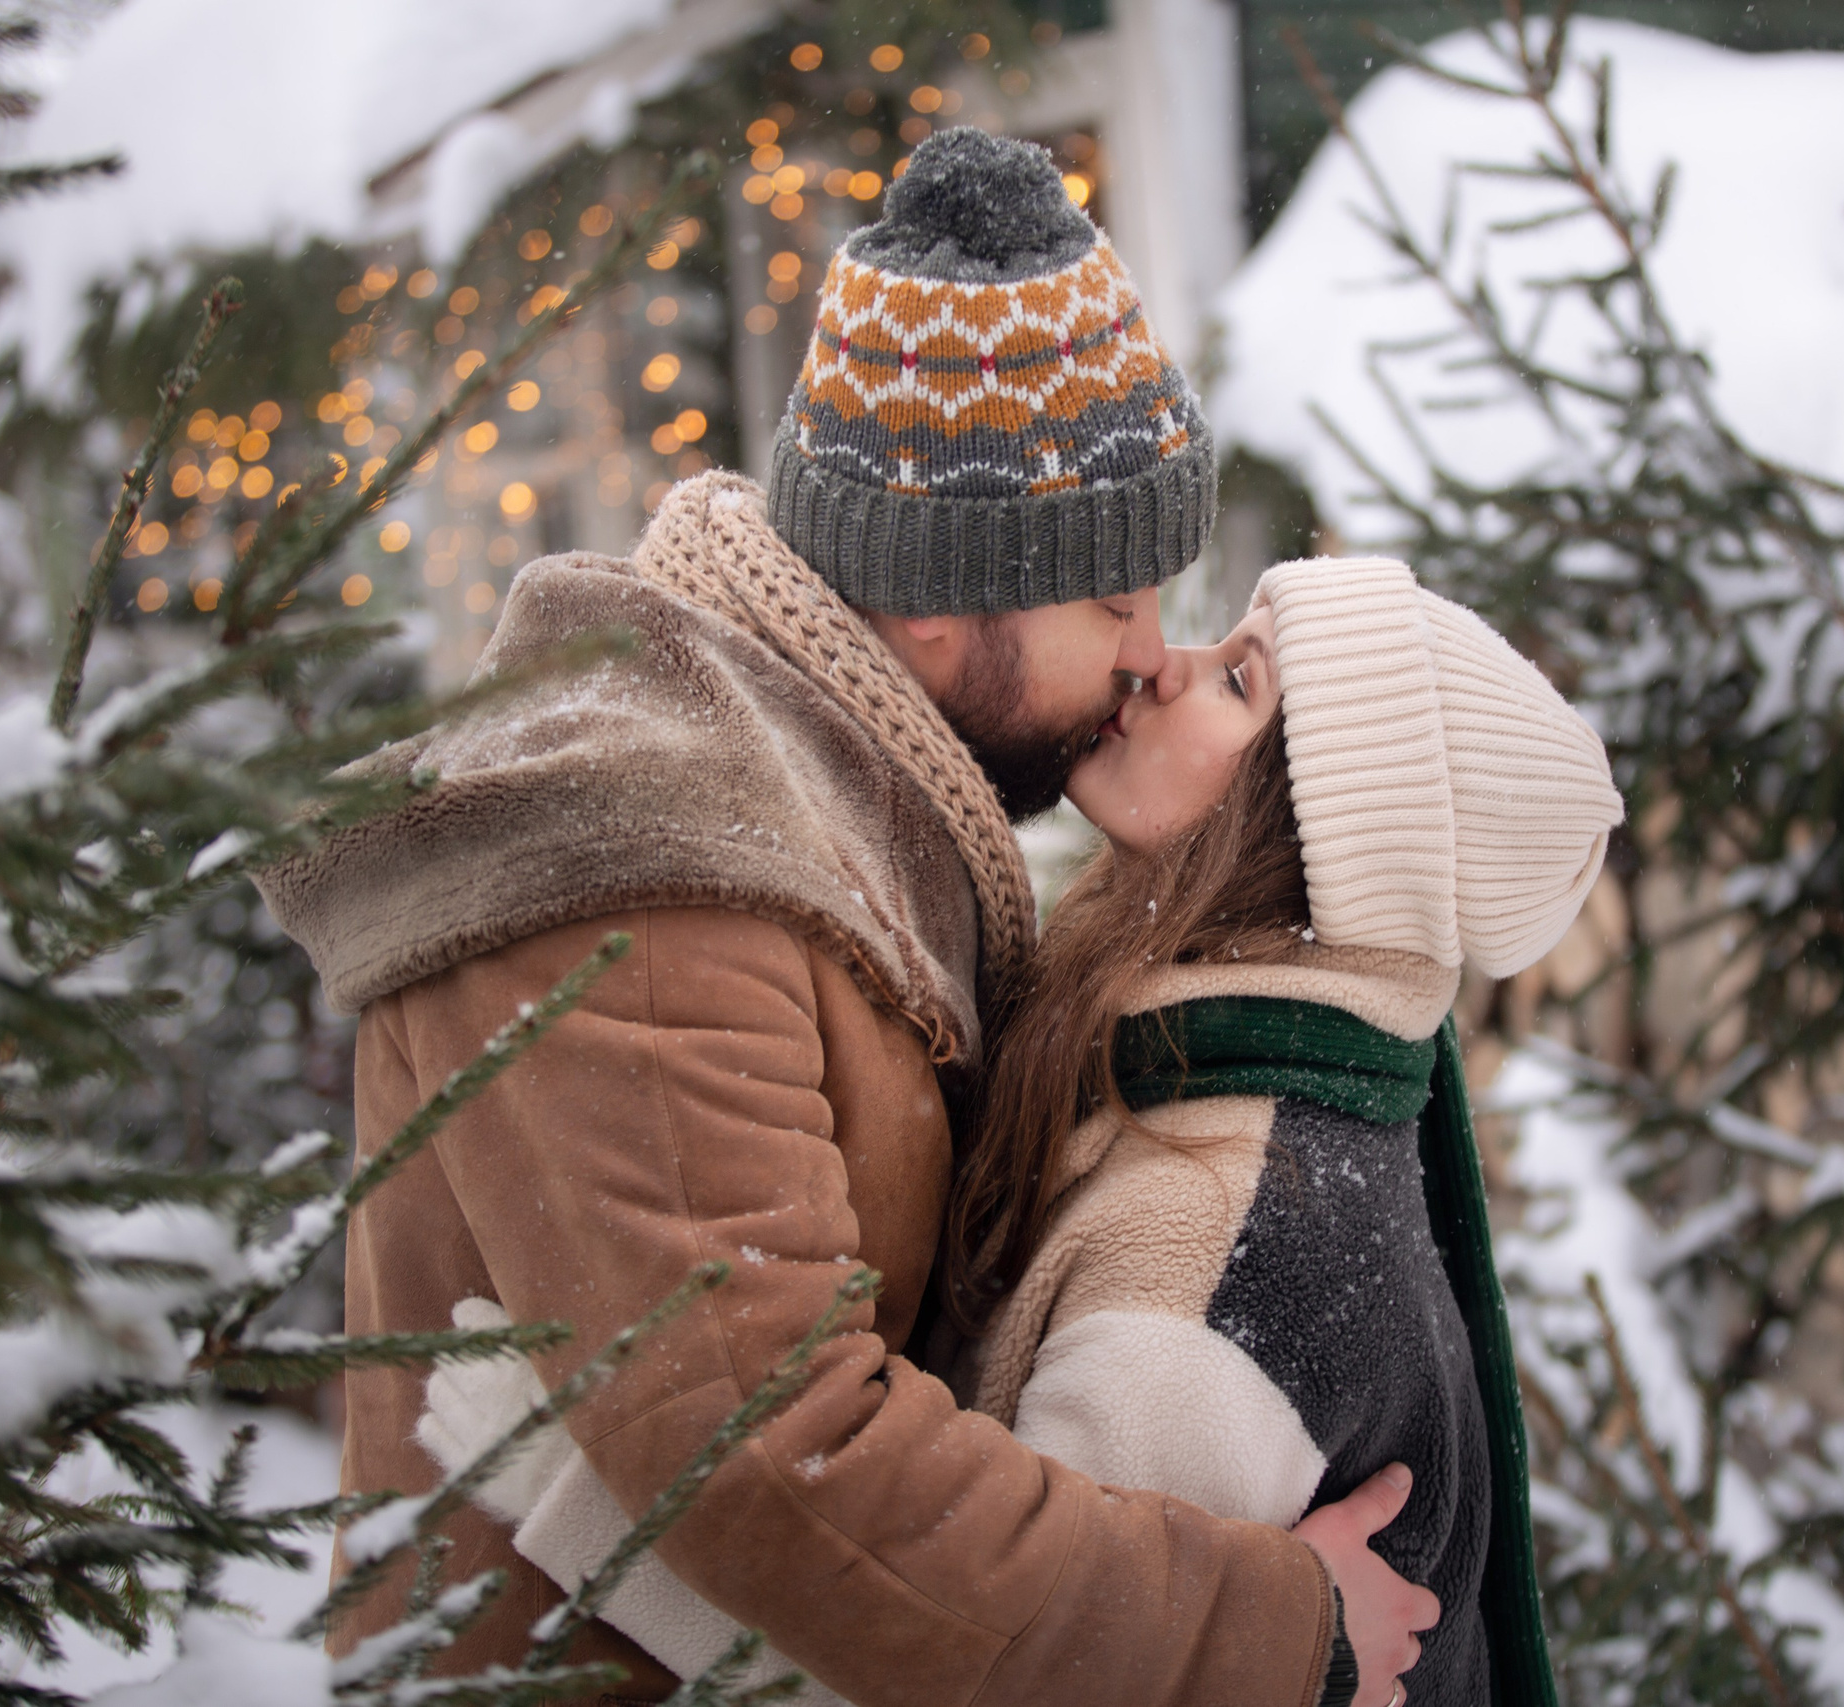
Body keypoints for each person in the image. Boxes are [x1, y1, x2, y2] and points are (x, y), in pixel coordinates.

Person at [256, 126, 1433, 1707]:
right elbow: (775, 1467)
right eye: (1113, 599)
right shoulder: (655, 877)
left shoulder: (824, 823)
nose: (1152, 655)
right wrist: (1259, 1624)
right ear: (945, 593)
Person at [428, 556, 1626, 1704]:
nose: (1163, 661)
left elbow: (976, 1664)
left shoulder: (1215, 1247)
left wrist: (565, 1481)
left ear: (1316, 835)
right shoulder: (1196, 1092)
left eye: (1238, 681)